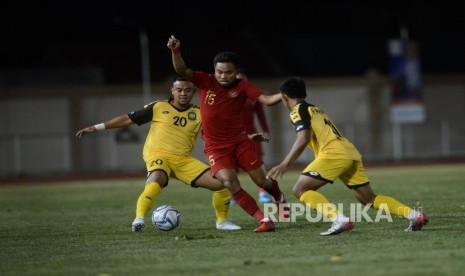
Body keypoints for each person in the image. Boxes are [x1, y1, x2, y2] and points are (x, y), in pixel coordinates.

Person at [267, 76, 429, 236]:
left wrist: (285, 164)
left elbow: (303, 138)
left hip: (333, 153)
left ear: (285, 98)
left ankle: (339, 219)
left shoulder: (297, 111)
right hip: (349, 152)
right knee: (369, 199)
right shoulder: (314, 108)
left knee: (300, 189)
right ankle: (414, 216)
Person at [76, 76, 241, 232]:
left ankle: (222, 222)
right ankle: (139, 219)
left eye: (187, 90)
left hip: (183, 160)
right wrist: (96, 127)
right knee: (155, 181)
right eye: (179, 90)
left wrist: (244, 137)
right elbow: (127, 119)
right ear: (172, 90)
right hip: (158, 155)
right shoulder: (158, 107)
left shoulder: (200, 113)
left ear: (193, 92)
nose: (183, 93)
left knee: (223, 184)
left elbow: (220, 132)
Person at [167, 35, 286, 233]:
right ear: (214, 70)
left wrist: (286, 93)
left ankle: (279, 197)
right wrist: (175, 51)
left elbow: (266, 100)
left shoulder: (243, 87)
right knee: (229, 181)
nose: (223, 76)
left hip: (241, 142)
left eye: (228, 72)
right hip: (216, 147)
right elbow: (181, 70)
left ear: (236, 72)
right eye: (219, 72)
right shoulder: (205, 80)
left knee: (262, 182)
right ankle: (264, 220)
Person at [235, 71, 272, 204]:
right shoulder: (227, 97)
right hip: (235, 135)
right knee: (233, 164)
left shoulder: (252, 96)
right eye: (238, 81)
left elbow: (261, 115)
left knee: (258, 161)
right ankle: (234, 193)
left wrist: (266, 131)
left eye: (243, 81)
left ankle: (262, 193)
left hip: (253, 133)